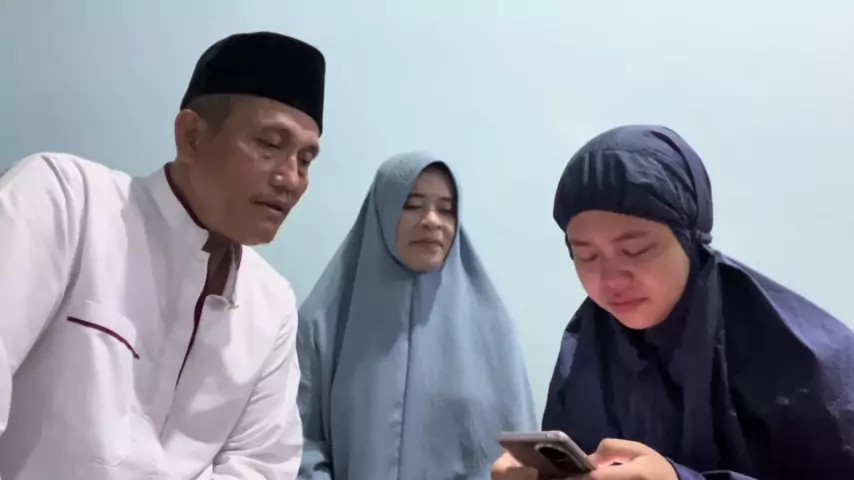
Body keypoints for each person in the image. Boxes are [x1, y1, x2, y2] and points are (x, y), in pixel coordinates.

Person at [0, 31, 325, 479]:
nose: (290, 179)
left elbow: (260, 465)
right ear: (191, 136)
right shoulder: (68, 200)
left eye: (305, 160)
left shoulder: (272, 304)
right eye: (270, 144)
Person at [492, 125, 854, 479]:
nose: (611, 280)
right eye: (586, 256)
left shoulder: (808, 361)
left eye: (636, 250)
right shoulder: (587, 344)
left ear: (690, 239)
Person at [296, 152, 537, 479]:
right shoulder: (324, 322)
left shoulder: (493, 330)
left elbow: (519, 457)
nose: (431, 220)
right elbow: (298, 442)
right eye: (412, 205)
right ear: (381, 212)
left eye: (446, 209)